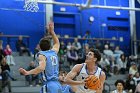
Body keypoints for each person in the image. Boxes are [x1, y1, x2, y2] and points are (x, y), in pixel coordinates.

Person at [19, 22, 62, 93]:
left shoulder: (42, 55)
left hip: (49, 85)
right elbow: (57, 43)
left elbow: (41, 68)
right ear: (50, 46)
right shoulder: (54, 52)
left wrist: (27, 72)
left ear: (40, 47)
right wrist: (52, 32)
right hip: (58, 84)